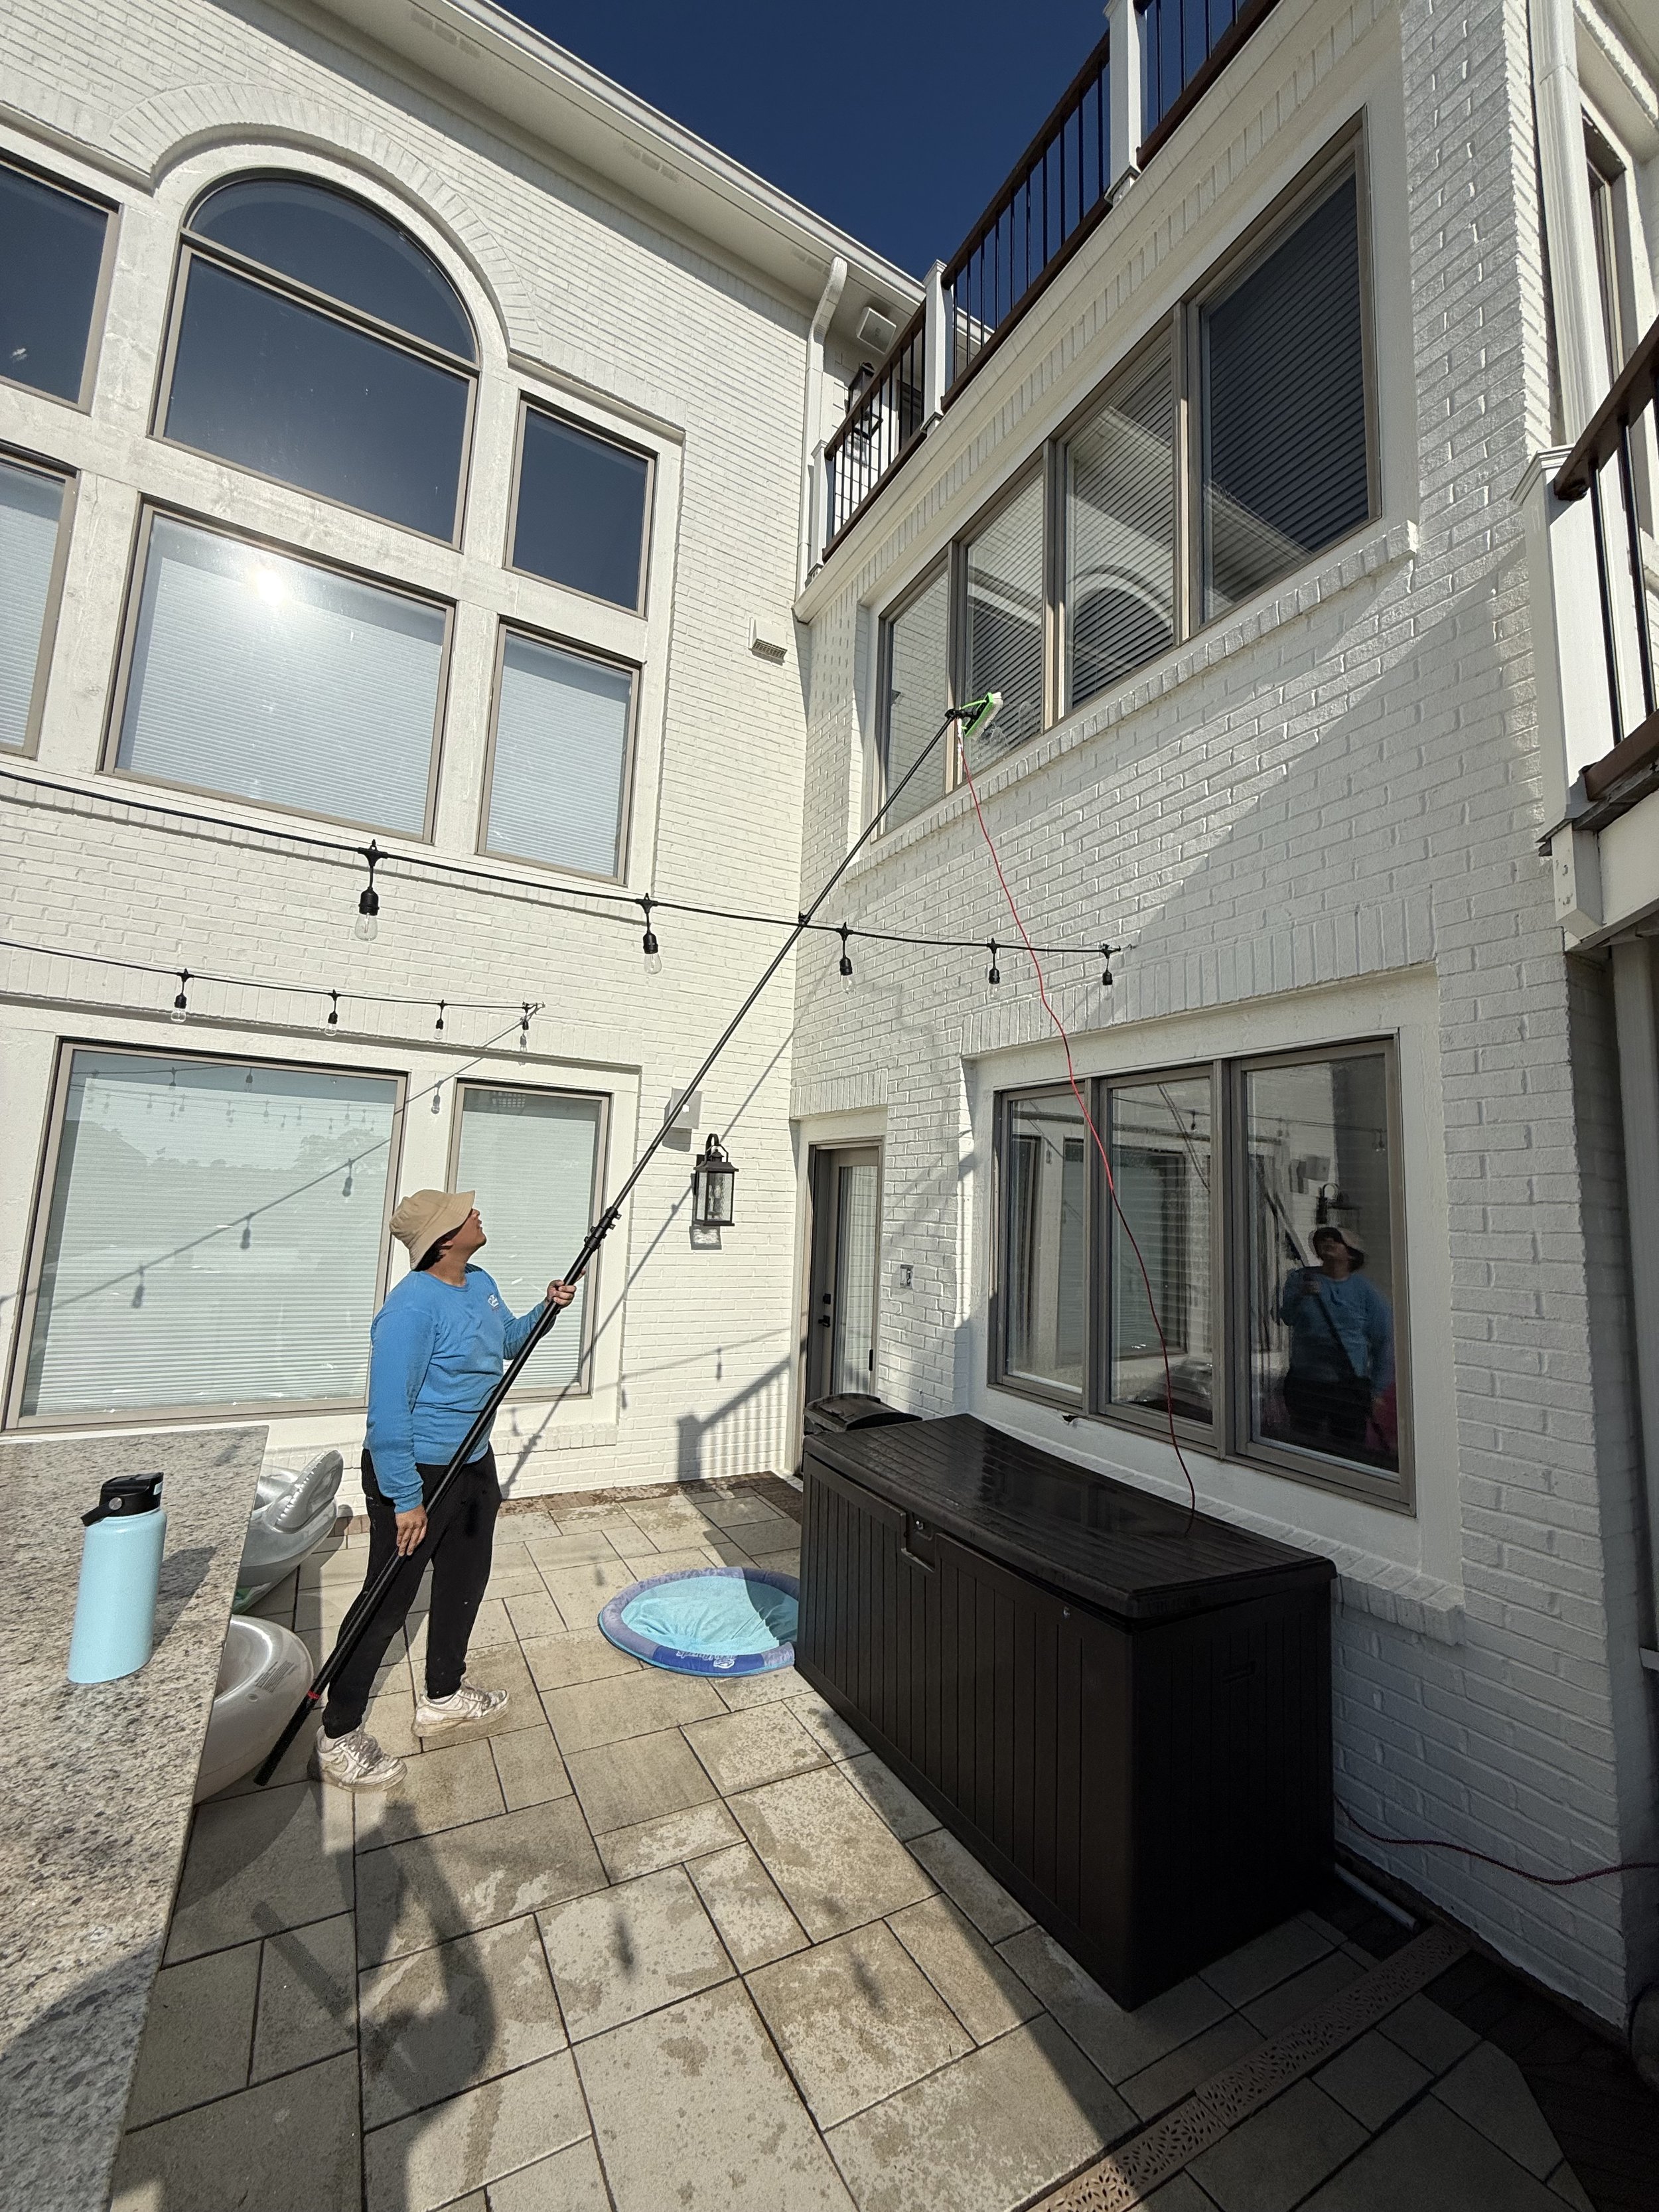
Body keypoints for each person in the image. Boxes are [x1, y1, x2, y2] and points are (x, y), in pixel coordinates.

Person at [314, 1189, 575, 1791]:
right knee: (386, 1603)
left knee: (464, 1582)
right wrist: (405, 1497)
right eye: (466, 1212)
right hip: (418, 1473)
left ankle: (443, 1694)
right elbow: (386, 1414)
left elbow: (506, 1343)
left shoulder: (478, 1280)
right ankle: (338, 1733)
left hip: (474, 1463)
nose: (477, 1213)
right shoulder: (409, 1310)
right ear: (444, 1236)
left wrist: (546, 1309)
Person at [1277, 1225, 1393, 1459]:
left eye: (1336, 1240)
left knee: (1348, 1450)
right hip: (1305, 1383)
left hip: (1347, 1386)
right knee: (1303, 1446)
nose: (1328, 1242)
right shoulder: (1300, 1279)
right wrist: (1301, 1295)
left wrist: (1377, 1389)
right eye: (1324, 1239)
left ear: (1351, 1254)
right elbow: (1287, 1316)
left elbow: (1384, 1341)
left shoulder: (1365, 1292)